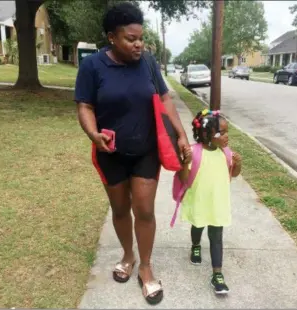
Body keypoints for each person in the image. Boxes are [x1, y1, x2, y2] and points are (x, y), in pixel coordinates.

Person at [74, 2, 191, 305]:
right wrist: (93, 134)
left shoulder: (149, 62)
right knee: (119, 209)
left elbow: (164, 100)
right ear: (112, 37)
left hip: (145, 151)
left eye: (140, 37)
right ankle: (128, 255)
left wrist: (180, 134)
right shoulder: (92, 66)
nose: (138, 44)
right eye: (130, 38)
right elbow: (85, 105)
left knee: (145, 209)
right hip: (110, 152)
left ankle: (147, 267)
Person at [178, 109, 242, 295]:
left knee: (216, 237)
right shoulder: (194, 152)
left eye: (226, 131)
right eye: (221, 133)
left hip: (218, 203)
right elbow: (184, 178)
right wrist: (185, 163)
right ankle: (196, 246)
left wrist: (238, 164)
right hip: (199, 201)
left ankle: (217, 275)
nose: (226, 136)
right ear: (206, 134)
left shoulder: (226, 153)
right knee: (197, 227)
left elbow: (233, 174)